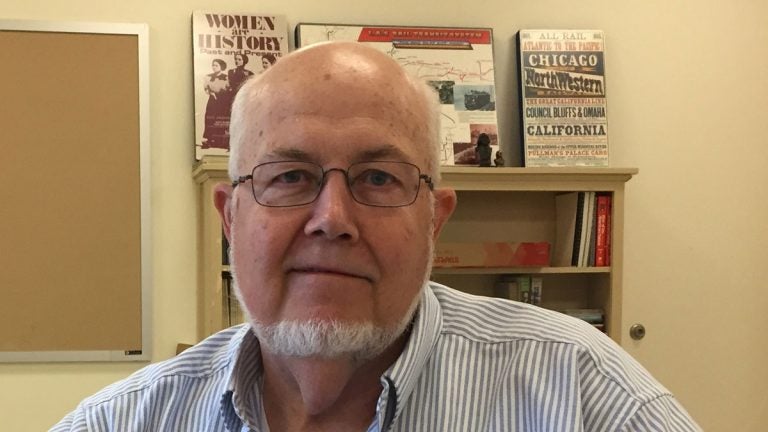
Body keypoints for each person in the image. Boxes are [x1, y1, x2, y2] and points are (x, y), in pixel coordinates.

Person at [51, 42, 701, 431]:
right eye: (290, 175)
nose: (332, 217)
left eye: (380, 177)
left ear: (435, 220)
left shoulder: (581, 394)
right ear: (231, 218)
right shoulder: (125, 420)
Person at [202, 58, 230, 149]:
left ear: (221, 66)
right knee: (210, 118)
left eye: (216, 65)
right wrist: (211, 93)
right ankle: (209, 139)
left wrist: (223, 96)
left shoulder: (227, 77)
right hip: (212, 100)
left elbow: (229, 89)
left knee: (221, 119)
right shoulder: (207, 77)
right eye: (213, 65)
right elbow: (206, 88)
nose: (214, 67)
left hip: (223, 101)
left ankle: (220, 140)